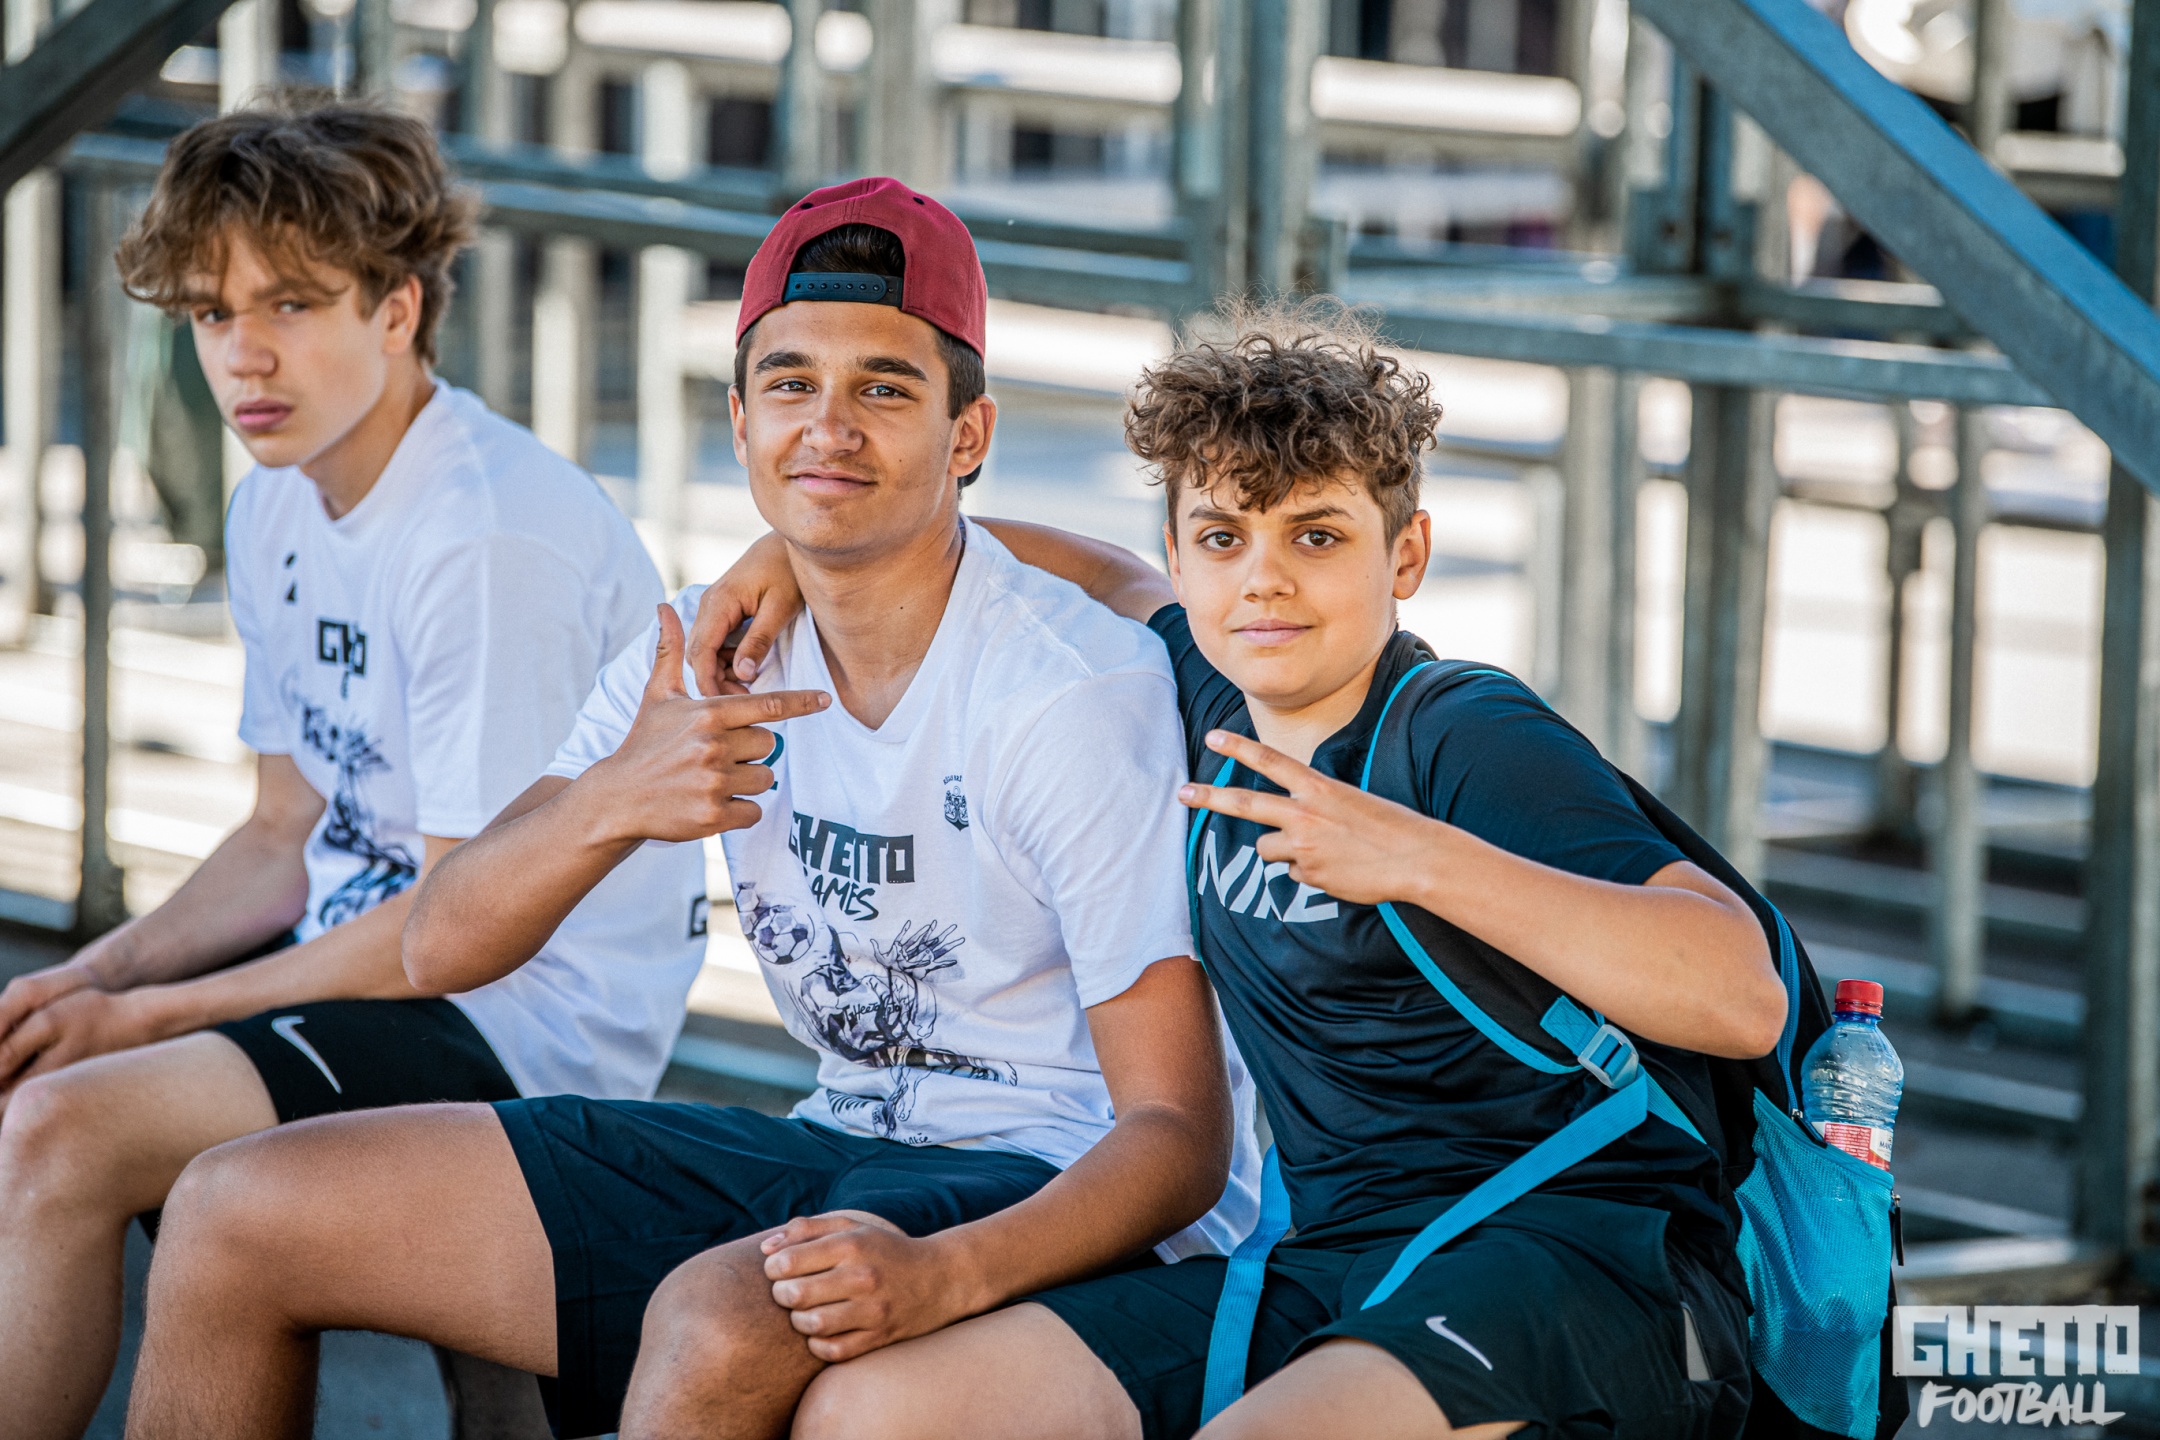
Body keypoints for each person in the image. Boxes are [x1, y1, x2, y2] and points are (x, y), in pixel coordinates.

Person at [121, 177, 1260, 1440]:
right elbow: (440, 944)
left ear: (968, 434)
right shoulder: (702, 646)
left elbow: (1177, 1140)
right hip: (839, 1141)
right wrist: (613, 801)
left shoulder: (1062, 691)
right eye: (790, 384)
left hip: (1054, 1180)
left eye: (884, 389)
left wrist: (947, 1276)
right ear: (739, 419)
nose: (828, 427)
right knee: (233, 1209)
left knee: (720, 1315)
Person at [683, 304, 1789, 1440]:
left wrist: (1419, 858)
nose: (1264, 581)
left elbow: (1737, 990)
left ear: (1405, 554)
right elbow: (1091, 569)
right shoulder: (1212, 694)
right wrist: (799, 546)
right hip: (1338, 1258)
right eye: (1222, 539)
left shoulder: (1463, 731)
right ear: (1181, 555)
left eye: (1317, 537)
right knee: (878, 1408)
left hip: (1578, 1258)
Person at [0, 97, 707, 1440]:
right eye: (211, 312)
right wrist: (96, 977)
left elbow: (452, 932)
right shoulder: (275, 491)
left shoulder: (484, 536)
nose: (244, 355)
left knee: (63, 1126)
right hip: (375, 960)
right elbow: (284, 832)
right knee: (45, 1059)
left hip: (520, 1018)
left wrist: (151, 1019)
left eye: (293, 303)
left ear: (399, 308)